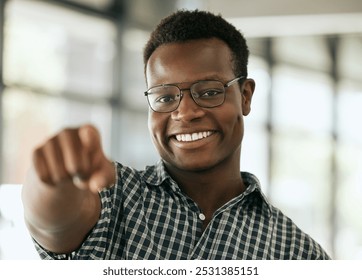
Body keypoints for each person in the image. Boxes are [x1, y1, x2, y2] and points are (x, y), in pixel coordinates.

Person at [22, 9, 331, 260]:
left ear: (246, 96)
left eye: (209, 92)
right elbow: (53, 223)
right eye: (165, 97)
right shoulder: (117, 197)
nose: (184, 113)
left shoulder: (297, 254)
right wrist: (51, 179)